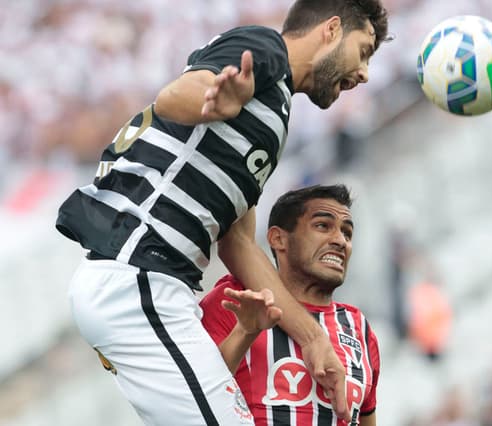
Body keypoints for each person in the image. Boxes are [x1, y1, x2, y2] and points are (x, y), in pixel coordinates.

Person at [55, 1, 390, 424]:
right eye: (363, 51)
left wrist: (312, 338)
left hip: (152, 291)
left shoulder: (274, 115)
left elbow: (239, 246)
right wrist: (212, 101)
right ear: (331, 29)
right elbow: (174, 98)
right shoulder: (265, 49)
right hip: (137, 281)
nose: (364, 73)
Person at [200, 184, 380, 425]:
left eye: (347, 233)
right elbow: (191, 398)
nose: (340, 241)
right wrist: (245, 332)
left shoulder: (359, 328)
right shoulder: (236, 298)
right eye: (322, 226)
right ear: (278, 239)